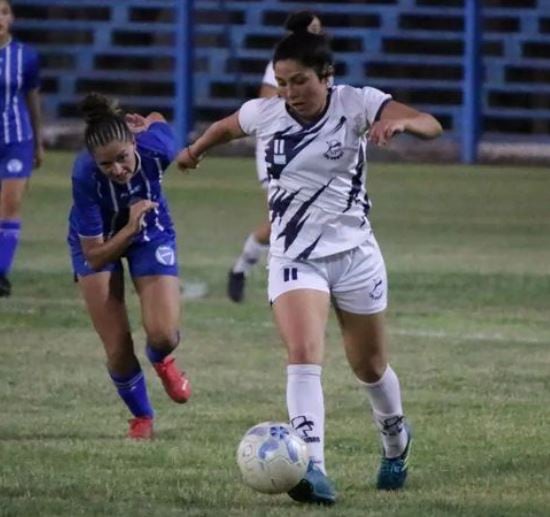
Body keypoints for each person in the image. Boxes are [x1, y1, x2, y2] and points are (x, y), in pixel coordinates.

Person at [177, 30, 442, 504]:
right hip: (295, 257)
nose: (289, 92)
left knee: (370, 366)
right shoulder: (268, 114)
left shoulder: (357, 103)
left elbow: (430, 123)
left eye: (299, 81)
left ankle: (396, 443)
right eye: (281, 82)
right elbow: (225, 126)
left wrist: (400, 125)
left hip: (355, 254)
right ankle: (312, 467)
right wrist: (195, 151)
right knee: (303, 353)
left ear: (326, 76)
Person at [67, 93, 191, 440]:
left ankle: (161, 359)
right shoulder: (84, 176)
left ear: (134, 142)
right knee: (118, 347)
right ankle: (142, 417)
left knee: (164, 333)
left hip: (151, 231)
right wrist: (128, 229)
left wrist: (150, 119)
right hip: (99, 242)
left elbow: (160, 118)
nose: (117, 170)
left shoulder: (159, 150)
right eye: (106, 164)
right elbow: (94, 256)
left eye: (122, 158)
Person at [227, 10, 324, 303]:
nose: (319, 33)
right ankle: (247, 270)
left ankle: (261, 270)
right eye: (314, 28)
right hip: (279, 148)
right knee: (286, 217)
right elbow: (267, 101)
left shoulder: (321, 64)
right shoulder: (284, 63)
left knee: (307, 216)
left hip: (309, 149)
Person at [0, 0, 44, 297]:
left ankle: (1, 273)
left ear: (12, 17)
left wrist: (37, 142)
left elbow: (33, 100)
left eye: (3, 12)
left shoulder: (26, 56)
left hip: (17, 139)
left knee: (10, 205)